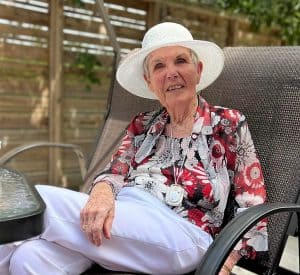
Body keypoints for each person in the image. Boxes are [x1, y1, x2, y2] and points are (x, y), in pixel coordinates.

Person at [0, 22, 268, 275]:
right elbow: (113, 172)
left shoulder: (228, 123)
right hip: (122, 220)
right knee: (30, 257)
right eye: (159, 66)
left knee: (38, 202)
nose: (171, 72)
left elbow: (252, 204)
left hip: (183, 233)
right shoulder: (142, 124)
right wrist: (102, 194)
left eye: (180, 61)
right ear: (150, 81)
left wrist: (226, 260)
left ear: (198, 70)